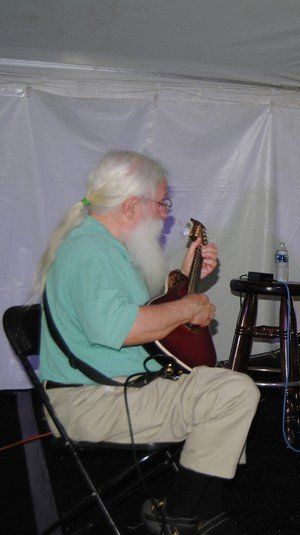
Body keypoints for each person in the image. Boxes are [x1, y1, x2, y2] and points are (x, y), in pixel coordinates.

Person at [34, 151, 259, 534]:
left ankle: (199, 515)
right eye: (162, 203)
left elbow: (142, 309)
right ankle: (180, 517)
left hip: (114, 389)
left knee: (226, 387)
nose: (166, 214)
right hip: (90, 401)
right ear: (132, 205)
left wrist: (185, 277)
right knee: (232, 393)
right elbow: (122, 329)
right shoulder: (90, 252)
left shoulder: (105, 248)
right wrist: (187, 306)